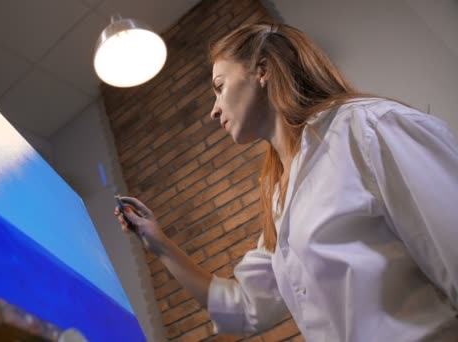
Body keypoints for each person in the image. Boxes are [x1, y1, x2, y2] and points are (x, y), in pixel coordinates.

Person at [114, 22, 458, 341]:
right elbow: (244, 306)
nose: (214, 110)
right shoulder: (279, 195)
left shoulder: (368, 128)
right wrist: (156, 241)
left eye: (219, 87)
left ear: (262, 70)